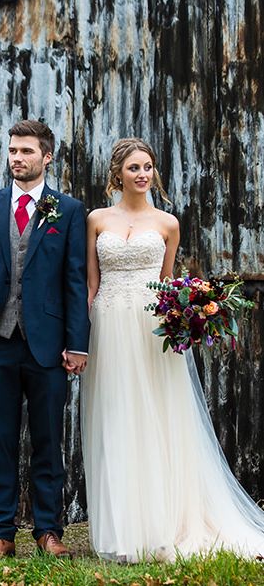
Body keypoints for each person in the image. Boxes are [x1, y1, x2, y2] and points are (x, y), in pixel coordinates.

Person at [82, 137, 264, 562]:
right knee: (116, 416)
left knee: (159, 419)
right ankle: (126, 526)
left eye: (147, 167)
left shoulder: (168, 223)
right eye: (133, 168)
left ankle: (166, 521)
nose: (142, 174)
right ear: (118, 175)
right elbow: (92, 284)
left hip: (152, 332)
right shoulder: (96, 220)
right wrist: (82, 333)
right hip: (108, 326)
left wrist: (184, 319)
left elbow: (167, 288)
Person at [0, 119, 90, 560]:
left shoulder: (68, 210)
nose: (17, 158)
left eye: (27, 152)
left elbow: (75, 280)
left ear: (47, 156)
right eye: (13, 151)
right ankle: (1, 534)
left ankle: (48, 532)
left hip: (48, 344)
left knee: (47, 441)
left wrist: (77, 342)